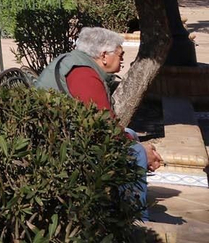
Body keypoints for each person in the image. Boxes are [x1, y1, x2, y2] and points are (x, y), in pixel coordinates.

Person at [35, 26, 163, 218]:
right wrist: (141, 150)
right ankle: (134, 219)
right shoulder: (83, 74)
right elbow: (103, 126)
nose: (122, 60)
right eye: (120, 55)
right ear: (104, 56)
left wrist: (132, 139)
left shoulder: (79, 64)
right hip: (58, 145)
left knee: (132, 135)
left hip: (64, 133)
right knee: (135, 152)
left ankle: (116, 205)